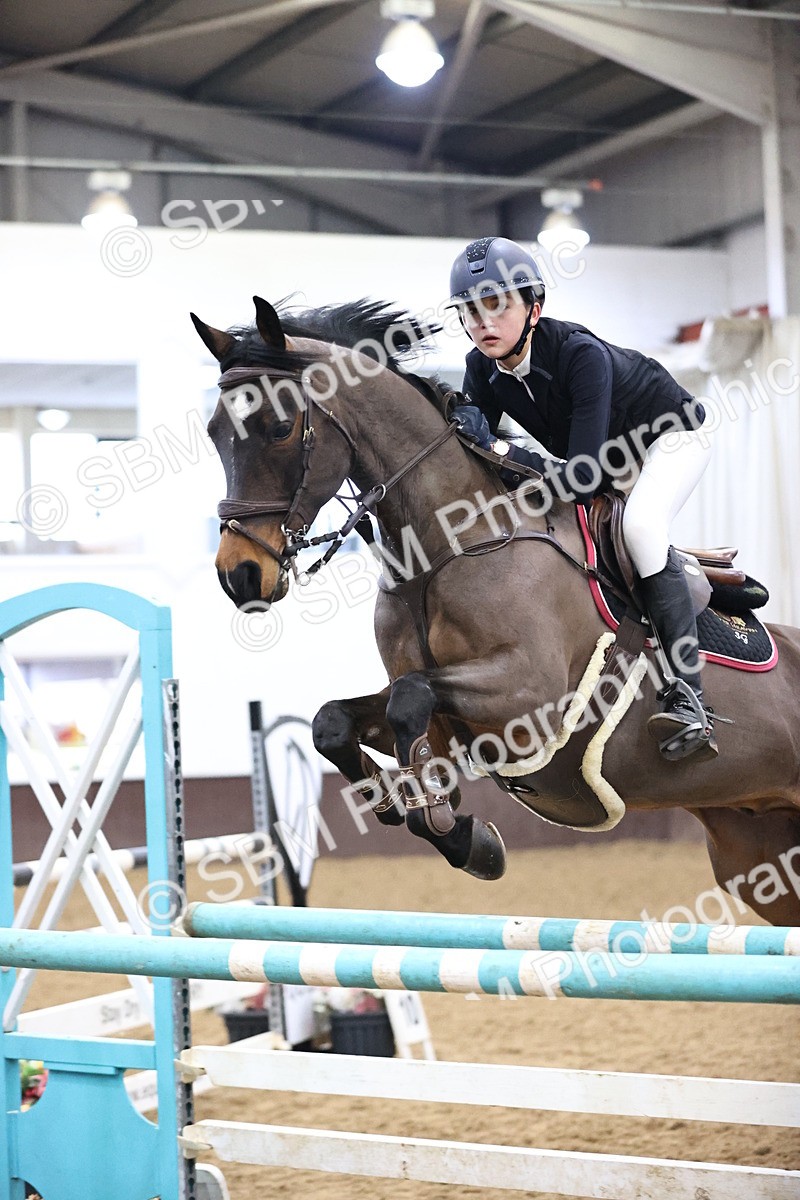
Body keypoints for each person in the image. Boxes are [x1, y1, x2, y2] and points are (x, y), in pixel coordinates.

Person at [446, 235, 719, 762]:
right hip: (599, 461)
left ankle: (691, 698)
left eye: (498, 305)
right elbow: (481, 459)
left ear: (535, 308)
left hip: (672, 438)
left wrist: (496, 444)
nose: (483, 321)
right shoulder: (480, 367)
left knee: (641, 529)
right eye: (471, 310)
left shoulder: (579, 355)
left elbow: (582, 478)